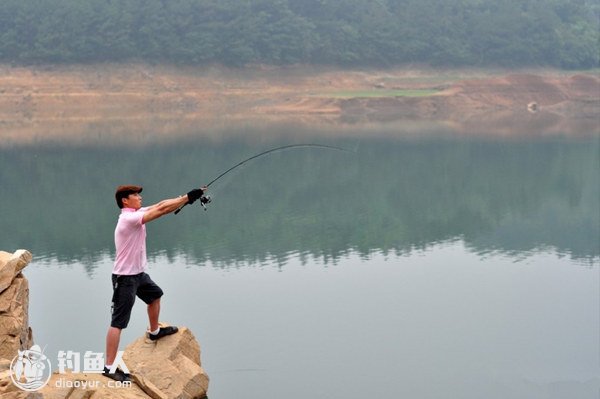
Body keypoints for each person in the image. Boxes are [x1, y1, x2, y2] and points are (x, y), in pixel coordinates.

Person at [103, 185, 206, 382]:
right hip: (125, 279)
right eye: (135, 195)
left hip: (138, 274)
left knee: (155, 295)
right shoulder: (128, 219)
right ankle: (108, 367)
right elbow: (161, 211)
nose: (140, 198)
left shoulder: (136, 212)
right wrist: (186, 198)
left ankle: (155, 332)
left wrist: (187, 197)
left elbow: (160, 204)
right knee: (118, 322)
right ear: (125, 200)